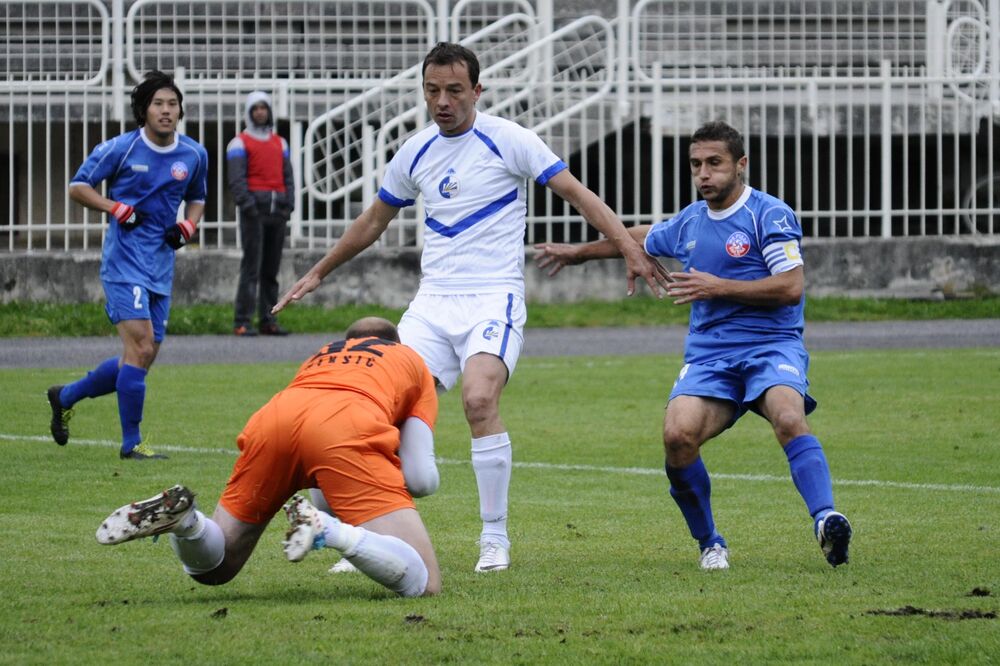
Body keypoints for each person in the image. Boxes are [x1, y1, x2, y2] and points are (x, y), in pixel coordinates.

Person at [273, 42, 670, 573]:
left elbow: (577, 194)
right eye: (432, 90)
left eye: (454, 90)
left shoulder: (510, 140)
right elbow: (374, 221)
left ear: (477, 91)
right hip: (432, 303)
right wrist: (320, 270)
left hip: (493, 297)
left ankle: (494, 538)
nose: (443, 101)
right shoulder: (413, 152)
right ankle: (369, 531)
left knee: (479, 400)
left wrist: (626, 244)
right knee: (379, 410)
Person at [534, 120, 852, 570]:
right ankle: (710, 543)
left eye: (714, 163)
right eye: (696, 165)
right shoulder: (690, 222)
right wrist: (578, 253)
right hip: (710, 356)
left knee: (787, 415)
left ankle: (826, 520)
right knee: (677, 436)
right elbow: (643, 237)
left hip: (771, 347)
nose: (704, 173)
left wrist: (716, 286)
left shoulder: (769, 215)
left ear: (741, 165)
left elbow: (791, 287)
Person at [95, 317, 443, 598]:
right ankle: (329, 531)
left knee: (216, 569)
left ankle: (188, 524)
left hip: (273, 420)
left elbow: (319, 465)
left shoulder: (321, 354)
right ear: (396, 343)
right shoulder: (411, 360)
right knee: (425, 582)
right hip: (345, 426)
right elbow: (420, 476)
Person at [47, 70, 208, 460]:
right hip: (123, 264)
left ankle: (65, 396)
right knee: (139, 345)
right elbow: (78, 186)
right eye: (158, 104)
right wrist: (114, 207)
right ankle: (131, 444)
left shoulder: (194, 154)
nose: (166, 111)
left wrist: (188, 225)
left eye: (172, 104)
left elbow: (198, 197)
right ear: (144, 110)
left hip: (160, 267)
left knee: (142, 355)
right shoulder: (120, 148)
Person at [227, 91, 295, 337]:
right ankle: (242, 321)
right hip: (254, 212)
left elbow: (288, 177)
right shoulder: (239, 143)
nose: (260, 112)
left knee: (271, 270)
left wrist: (289, 206)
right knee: (251, 268)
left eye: (263, 107)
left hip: (277, 212)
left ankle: (269, 319)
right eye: (255, 108)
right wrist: (249, 207)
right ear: (249, 112)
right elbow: (237, 180)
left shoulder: (280, 142)